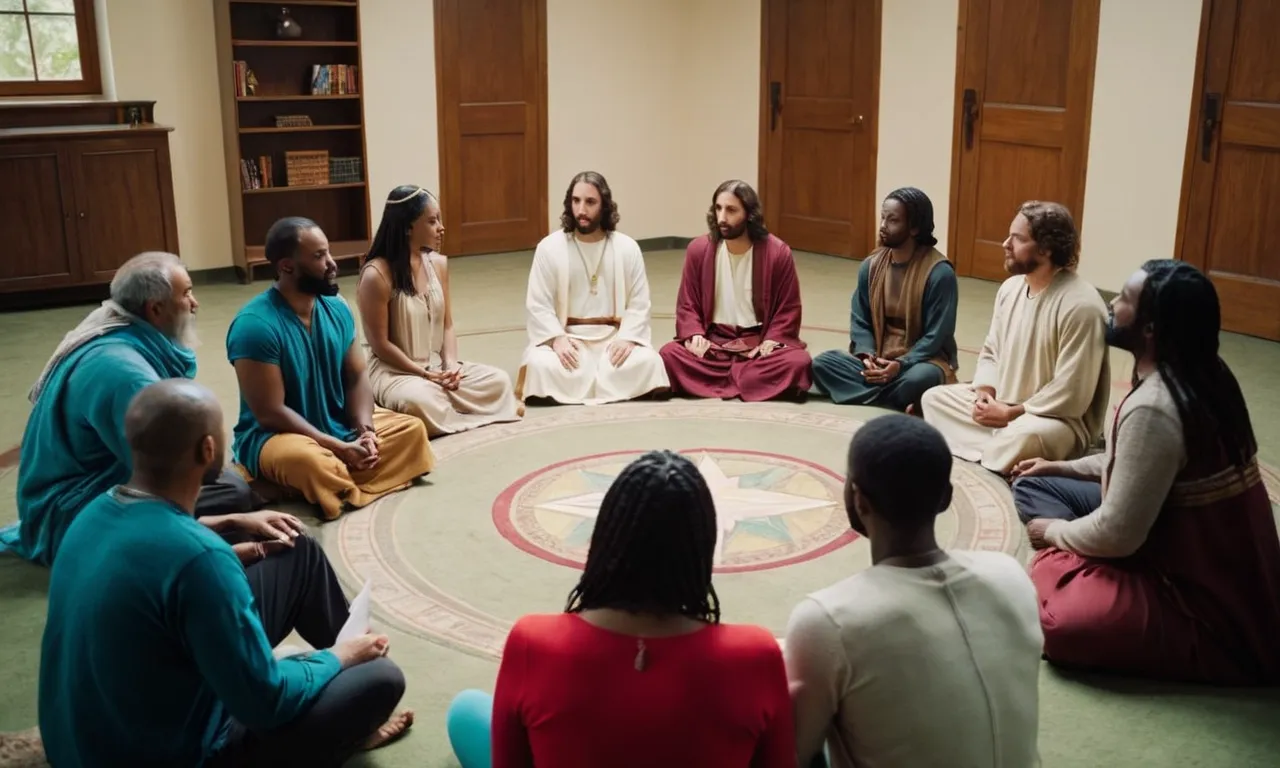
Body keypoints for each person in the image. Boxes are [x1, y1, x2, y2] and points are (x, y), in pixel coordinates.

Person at [38, 379, 412, 767]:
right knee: (381, 679)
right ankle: (342, 700)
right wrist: (339, 657)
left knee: (296, 548)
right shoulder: (201, 561)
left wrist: (233, 521)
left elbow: (158, 546)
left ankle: (331, 680)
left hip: (80, 743)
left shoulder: (93, 513)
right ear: (208, 448)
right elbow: (267, 703)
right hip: (176, 754)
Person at [1016, 260, 1280, 684]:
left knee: (1065, 626)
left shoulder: (1156, 406)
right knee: (1036, 483)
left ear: (1150, 329)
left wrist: (1051, 533)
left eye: (1123, 299)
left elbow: (1118, 534)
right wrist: (1060, 465)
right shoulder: (1200, 371)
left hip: (1197, 593)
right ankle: (1078, 560)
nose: (1112, 304)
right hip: (1154, 523)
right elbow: (1131, 465)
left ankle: (1071, 563)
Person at [445, 451, 795, 768]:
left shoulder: (532, 641)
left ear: (605, 539)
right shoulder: (755, 654)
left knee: (466, 710)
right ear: (701, 549)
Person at [784, 414, 1042, 767]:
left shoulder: (827, 620)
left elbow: (789, 755)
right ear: (946, 498)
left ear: (858, 500)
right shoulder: (1011, 575)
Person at [2, 252, 259, 566]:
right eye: (187, 293)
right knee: (231, 492)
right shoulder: (126, 375)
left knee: (228, 485)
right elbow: (160, 474)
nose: (195, 303)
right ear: (155, 309)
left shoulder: (115, 328)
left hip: (52, 499)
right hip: (69, 516)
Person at [227, 217, 435, 520]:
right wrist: (336, 447)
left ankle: (309, 487)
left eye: (328, 252)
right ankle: (320, 479)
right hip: (277, 436)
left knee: (412, 432)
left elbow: (356, 377)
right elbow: (269, 413)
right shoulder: (254, 326)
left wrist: (365, 431)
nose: (331, 264)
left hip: (337, 423)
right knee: (311, 463)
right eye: (318, 256)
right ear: (287, 266)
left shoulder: (337, 307)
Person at [921, 201, 1109, 475]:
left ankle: (993, 449)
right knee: (933, 399)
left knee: (1026, 437)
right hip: (1002, 408)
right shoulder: (1010, 289)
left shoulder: (1082, 305)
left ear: (1046, 248)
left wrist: (1012, 413)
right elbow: (992, 351)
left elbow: (1072, 393)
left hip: (1051, 420)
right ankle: (998, 455)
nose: (1005, 244)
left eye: (1018, 239)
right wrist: (985, 395)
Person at [358, 185, 521, 436]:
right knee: (419, 401)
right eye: (432, 221)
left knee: (498, 381)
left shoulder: (438, 264)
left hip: (436, 369)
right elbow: (380, 345)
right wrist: (424, 374)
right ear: (407, 227)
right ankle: (456, 410)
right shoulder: (376, 275)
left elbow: (447, 325)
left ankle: (449, 412)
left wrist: (451, 365)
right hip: (396, 372)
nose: (441, 228)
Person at [518, 171, 669, 405]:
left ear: (605, 206)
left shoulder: (627, 248)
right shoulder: (549, 248)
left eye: (590, 202)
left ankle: (587, 384)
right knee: (539, 364)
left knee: (649, 361)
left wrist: (628, 338)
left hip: (614, 340)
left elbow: (640, 304)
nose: (581, 210)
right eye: (576, 201)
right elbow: (538, 304)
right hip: (568, 340)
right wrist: (557, 339)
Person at [660, 180, 812, 401]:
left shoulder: (777, 253)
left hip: (756, 345)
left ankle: (721, 382)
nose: (722, 218)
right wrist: (694, 335)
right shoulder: (699, 250)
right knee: (669, 354)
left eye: (731, 210)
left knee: (799, 362)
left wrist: (773, 339)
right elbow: (687, 303)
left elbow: (788, 308)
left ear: (749, 214)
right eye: (718, 208)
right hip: (714, 344)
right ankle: (750, 384)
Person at [810, 187, 958, 412]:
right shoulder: (871, 266)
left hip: (920, 361)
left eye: (893, 220)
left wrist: (901, 364)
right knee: (823, 363)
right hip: (878, 357)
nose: (883, 226)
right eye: (883, 217)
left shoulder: (939, 273)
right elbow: (860, 319)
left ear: (915, 228)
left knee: (921, 379)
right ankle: (896, 399)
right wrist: (867, 355)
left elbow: (937, 335)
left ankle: (874, 392)